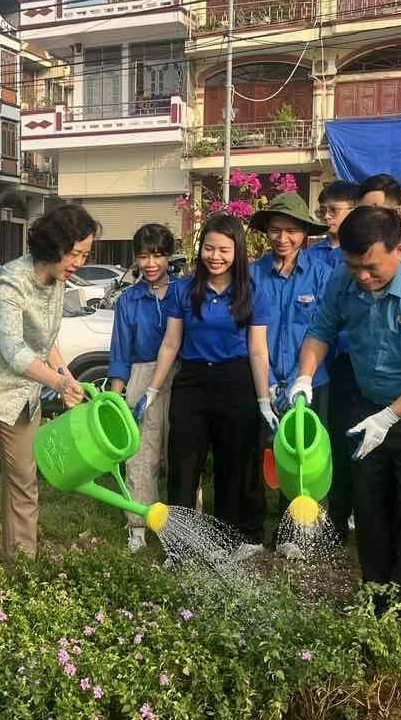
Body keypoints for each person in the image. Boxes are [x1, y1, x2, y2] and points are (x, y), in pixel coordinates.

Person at [291, 206, 401, 622]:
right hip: (370, 401)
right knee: (369, 509)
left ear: (399, 250)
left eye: (372, 268)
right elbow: (321, 330)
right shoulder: (344, 280)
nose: (364, 278)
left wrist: (391, 417)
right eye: (355, 268)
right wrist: (304, 375)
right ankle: (373, 601)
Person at [0, 205, 94, 558]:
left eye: (85, 255)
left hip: (22, 395)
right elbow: (13, 350)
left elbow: (46, 341)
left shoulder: (58, 281)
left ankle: (23, 566)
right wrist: (58, 386)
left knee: (24, 483)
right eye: (74, 253)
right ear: (53, 244)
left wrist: (66, 375)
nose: (79, 262)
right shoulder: (9, 282)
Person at [148, 213, 276, 555]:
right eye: (208, 248)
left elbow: (258, 350)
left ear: (238, 252)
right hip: (192, 382)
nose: (215, 256)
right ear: (199, 248)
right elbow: (171, 344)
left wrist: (264, 400)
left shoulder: (252, 292)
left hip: (236, 382)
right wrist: (152, 390)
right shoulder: (184, 290)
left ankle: (226, 540)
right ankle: (179, 545)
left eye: (224, 249)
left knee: (232, 464)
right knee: (184, 463)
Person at [246, 194, 333, 555]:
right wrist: (265, 384)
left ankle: (296, 535)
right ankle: (251, 532)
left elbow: (328, 330)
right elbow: (246, 333)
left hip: (310, 385)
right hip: (261, 383)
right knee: (256, 458)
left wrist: (301, 379)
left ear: (305, 235)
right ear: (266, 233)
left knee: (303, 459)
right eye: (277, 230)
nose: (283, 238)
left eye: (292, 231)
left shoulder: (323, 276)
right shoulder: (252, 276)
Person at [108, 224, 177, 552]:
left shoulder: (183, 292)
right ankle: (137, 525)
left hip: (180, 375)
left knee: (179, 452)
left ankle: (180, 522)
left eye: (158, 255)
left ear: (169, 256)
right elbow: (120, 352)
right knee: (140, 456)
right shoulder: (128, 300)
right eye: (144, 256)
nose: (151, 263)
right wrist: (119, 395)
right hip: (140, 375)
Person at [304, 181, 362, 540]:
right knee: (332, 439)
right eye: (322, 210)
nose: (326, 216)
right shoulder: (313, 257)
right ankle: (332, 512)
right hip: (327, 364)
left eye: (333, 210)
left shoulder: (364, 253)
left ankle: (356, 508)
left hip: (360, 359)